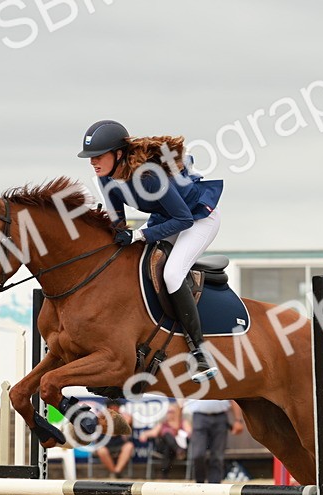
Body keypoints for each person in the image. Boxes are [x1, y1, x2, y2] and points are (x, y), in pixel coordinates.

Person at [77, 119, 224, 383]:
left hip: (198, 218)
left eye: (98, 156)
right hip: (165, 219)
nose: (93, 162)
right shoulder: (106, 178)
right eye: (90, 158)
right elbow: (117, 222)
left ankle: (200, 352)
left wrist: (139, 234)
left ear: (118, 153)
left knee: (172, 274)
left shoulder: (149, 176)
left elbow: (183, 220)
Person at [184, 398, 244, 484]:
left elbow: (233, 399)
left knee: (217, 456)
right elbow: (181, 402)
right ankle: (199, 484)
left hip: (220, 417)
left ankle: (214, 486)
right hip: (199, 417)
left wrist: (238, 420)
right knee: (198, 454)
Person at [141, 403, 188, 479]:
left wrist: (179, 431)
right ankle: (178, 450)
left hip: (177, 446)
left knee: (168, 447)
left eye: (172, 412)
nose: (169, 414)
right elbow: (154, 433)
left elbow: (190, 433)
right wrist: (144, 434)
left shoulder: (183, 422)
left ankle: (164, 473)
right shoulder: (163, 423)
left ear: (177, 413)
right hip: (166, 448)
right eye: (168, 412)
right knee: (166, 435)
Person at [95, 399, 138, 478]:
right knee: (101, 450)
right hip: (106, 445)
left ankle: (116, 472)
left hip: (120, 444)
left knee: (129, 446)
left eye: (116, 408)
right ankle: (114, 472)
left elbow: (126, 425)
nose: (114, 411)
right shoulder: (102, 418)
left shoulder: (125, 418)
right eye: (112, 409)